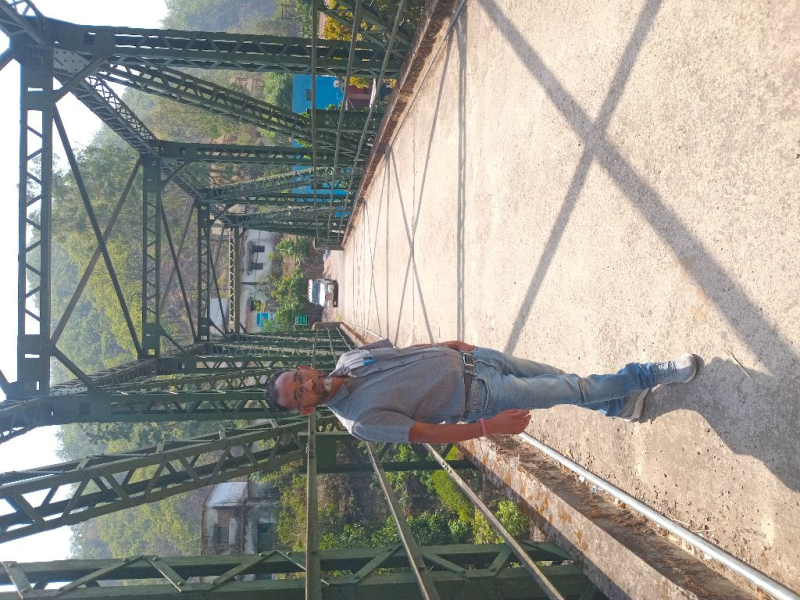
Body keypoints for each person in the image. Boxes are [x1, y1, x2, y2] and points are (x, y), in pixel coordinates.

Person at [264, 339, 699, 443]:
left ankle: (620, 406)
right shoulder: (360, 422)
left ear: (303, 368)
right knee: (574, 387)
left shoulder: (348, 359)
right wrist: (490, 428)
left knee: (563, 380)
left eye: (298, 379)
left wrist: (454, 344)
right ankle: (648, 374)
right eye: (299, 394)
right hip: (484, 398)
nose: (306, 385)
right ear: (306, 410)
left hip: (479, 361)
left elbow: (405, 353)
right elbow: (428, 434)